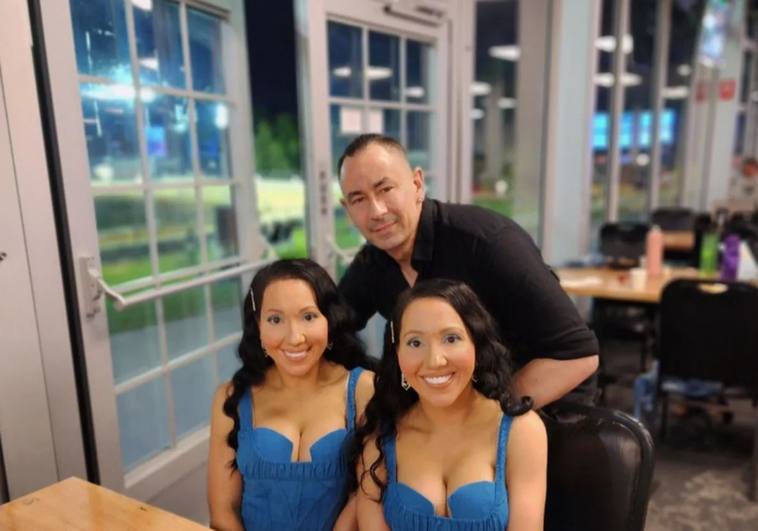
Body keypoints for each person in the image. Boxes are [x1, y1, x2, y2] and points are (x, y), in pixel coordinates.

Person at [337, 134, 599, 408]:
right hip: (456, 407)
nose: (376, 211)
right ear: (347, 209)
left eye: (385, 189)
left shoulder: (488, 243)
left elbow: (579, 354)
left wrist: (486, 415)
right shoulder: (372, 263)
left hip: (545, 402)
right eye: (359, 199)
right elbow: (331, 332)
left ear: (417, 184)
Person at [350, 279, 547, 529]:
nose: (435, 360)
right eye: (415, 342)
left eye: (451, 339)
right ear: (397, 353)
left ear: (476, 343)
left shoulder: (521, 431)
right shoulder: (380, 435)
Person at [207, 259, 374, 531]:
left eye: (308, 317)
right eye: (275, 319)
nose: (295, 337)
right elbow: (222, 512)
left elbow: (364, 498)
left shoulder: (363, 389)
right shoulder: (231, 397)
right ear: (258, 327)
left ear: (330, 321)